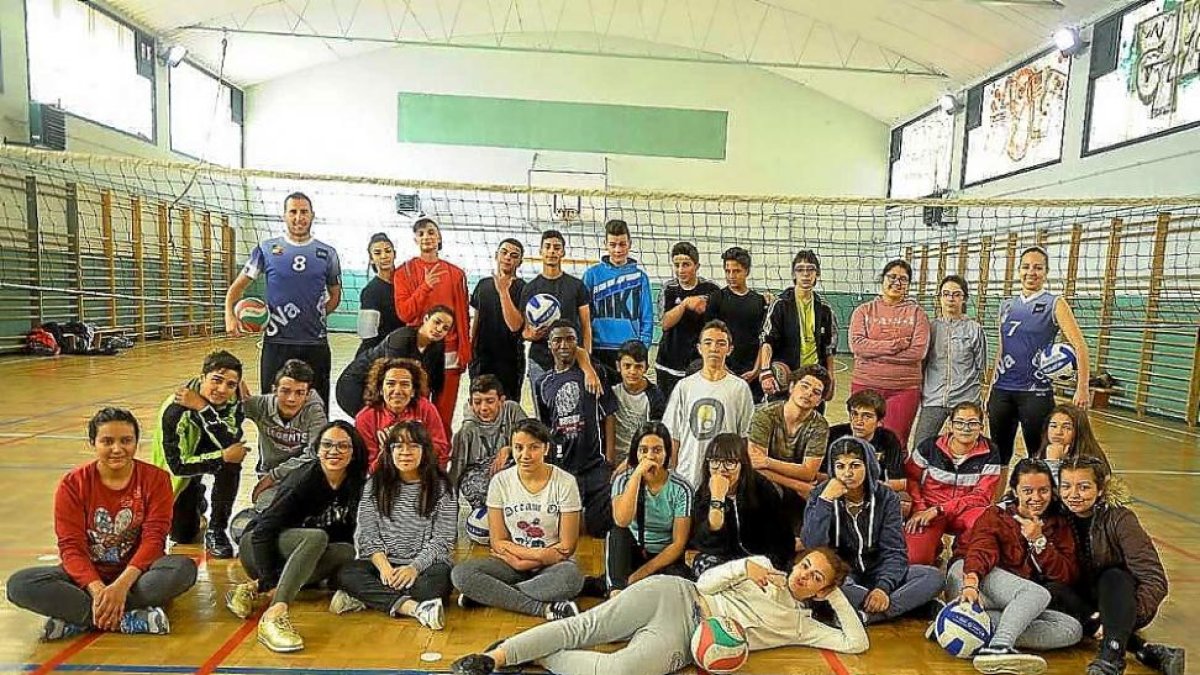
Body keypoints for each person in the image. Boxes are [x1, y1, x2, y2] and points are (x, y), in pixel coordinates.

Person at [450, 548, 867, 675]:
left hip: (688, 640)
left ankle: (534, 654)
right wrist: (744, 566)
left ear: (822, 591)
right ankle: (494, 658)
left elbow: (856, 642)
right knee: (587, 626)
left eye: (817, 578)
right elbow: (703, 583)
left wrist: (836, 593)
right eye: (806, 566)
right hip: (675, 594)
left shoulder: (802, 625)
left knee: (619, 671)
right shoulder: (760, 567)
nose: (804, 575)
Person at [6, 408, 197, 640]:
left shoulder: (156, 479)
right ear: (93, 443)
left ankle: (78, 618)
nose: (117, 449)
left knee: (182, 568)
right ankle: (126, 619)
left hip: (137, 577)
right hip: (84, 580)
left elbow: (154, 540)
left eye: (126, 440)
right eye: (107, 441)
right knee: (20, 584)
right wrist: (97, 590)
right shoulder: (73, 484)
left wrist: (120, 587)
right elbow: (71, 547)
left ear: (137, 442)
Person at [224, 421, 369, 653]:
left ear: (354, 452)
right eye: (328, 445)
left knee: (345, 551)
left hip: (299, 557)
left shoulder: (356, 483)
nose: (334, 451)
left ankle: (251, 589)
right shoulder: (303, 481)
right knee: (316, 537)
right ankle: (274, 615)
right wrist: (269, 578)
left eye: (343, 446)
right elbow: (263, 531)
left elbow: (347, 533)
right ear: (318, 449)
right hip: (259, 549)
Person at [945, 458, 1083, 675]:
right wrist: (970, 583)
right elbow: (980, 551)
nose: (1036, 498)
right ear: (1015, 490)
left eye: (1043, 490)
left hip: (1013, 598)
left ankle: (957, 624)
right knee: (1037, 594)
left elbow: (1066, 574)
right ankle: (998, 648)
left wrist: (1040, 542)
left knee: (1071, 629)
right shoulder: (997, 515)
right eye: (1027, 490)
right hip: (971, 577)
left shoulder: (1059, 523)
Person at [1057, 457, 1183, 675]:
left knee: (1114, 575)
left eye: (1084, 487)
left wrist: (1125, 617)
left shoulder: (1120, 519)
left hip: (1119, 599)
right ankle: (1144, 650)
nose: (1073, 494)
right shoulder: (1056, 517)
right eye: (1066, 486)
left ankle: (1111, 657)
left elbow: (1154, 579)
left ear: (1100, 490)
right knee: (1050, 588)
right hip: (1083, 605)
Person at [450, 420, 585, 621]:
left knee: (571, 578)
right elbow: (498, 541)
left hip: (553, 565)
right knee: (461, 574)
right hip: (512, 562)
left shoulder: (565, 482)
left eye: (534, 448)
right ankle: (544, 609)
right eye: (518, 448)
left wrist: (534, 559)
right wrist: (531, 557)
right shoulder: (500, 481)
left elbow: (567, 547)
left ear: (546, 448)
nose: (525, 455)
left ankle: (490, 595)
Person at [801, 436, 943, 625]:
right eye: (840, 466)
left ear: (868, 465)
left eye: (855, 465)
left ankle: (866, 616)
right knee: (830, 587)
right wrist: (825, 502)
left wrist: (883, 588)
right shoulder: (820, 495)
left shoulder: (887, 498)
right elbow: (813, 547)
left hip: (878, 573)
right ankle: (908, 606)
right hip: (843, 577)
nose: (847, 473)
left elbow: (895, 552)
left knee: (933, 577)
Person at [333, 421, 457, 630]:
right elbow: (367, 534)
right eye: (398, 446)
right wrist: (384, 568)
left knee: (438, 583)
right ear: (389, 451)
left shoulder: (442, 487)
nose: (405, 452)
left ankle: (368, 598)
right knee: (345, 573)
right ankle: (414, 609)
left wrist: (413, 568)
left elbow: (442, 541)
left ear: (425, 451)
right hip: (384, 564)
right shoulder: (375, 483)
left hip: (423, 566)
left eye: (413, 446)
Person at [224, 192, 342, 406]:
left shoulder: (328, 253)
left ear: (312, 215)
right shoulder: (266, 250)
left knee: (316, 406)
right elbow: (236, 288)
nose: (299, 217)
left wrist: (316, 315)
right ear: (284, 216)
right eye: (293, 212)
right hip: (276, 342)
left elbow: (335, 295)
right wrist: (230, 316)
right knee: (271, 406)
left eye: (304, 212)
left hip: (314, 343)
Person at [988, 246, 1092, 474]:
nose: (1031, 272)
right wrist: (991, 389)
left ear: (1046, 272)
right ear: (1018, 270)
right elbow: (1001, 350)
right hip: (1002, 391)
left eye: (1038, 267)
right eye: (1026, 267)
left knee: (1040, 458)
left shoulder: (1055, 303)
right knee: (998, 459)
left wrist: (1082, 388)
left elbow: (1080, 347)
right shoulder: (1006, 305)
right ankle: (996, 508)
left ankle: (1041, 508)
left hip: (1035, 394)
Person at [150, 350, 246, 558]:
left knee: (232, 461)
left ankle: (217, 529)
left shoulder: (233, 401)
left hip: (210, 449)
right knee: (183, 535)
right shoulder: (175, 411)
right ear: (202, 377)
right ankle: (196, 496)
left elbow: (229, 443)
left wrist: (204, 408)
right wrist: (221, 457)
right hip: (182, 469)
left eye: (230, 384)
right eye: (216, 380)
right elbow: (178, 466)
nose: (222, 390)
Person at [534, 321, 617, 537]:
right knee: (564, 532)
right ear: (549, 344)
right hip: (563, 466)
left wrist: (609, 457)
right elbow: (545, 427)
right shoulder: (542, 383)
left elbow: (609, 414)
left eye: (570, 339)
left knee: (599, 529)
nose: (564, 344)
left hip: (594, 464)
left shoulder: (594, 372)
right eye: (558, 340)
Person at [393, 216, 471, 440]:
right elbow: (405, 313)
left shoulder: (456, 274)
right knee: (417, 414)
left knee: (443, 418)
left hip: (449, 352)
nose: (426, 236)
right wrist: (425, 287)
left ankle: (440, 468)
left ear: (439, 238)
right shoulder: (404, 272)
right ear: (415, 239)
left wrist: (465, 350)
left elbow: (463, 316)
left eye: (430, 232)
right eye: (421, 233)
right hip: (419, 352)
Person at [904, 401, 1003, 566]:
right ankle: (933, 546)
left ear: (981, 427)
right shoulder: (929, 446)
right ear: (950, 425)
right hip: (928, 508)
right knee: (915, 559)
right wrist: (919, 508)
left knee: (986, 521)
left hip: (965, 511)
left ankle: (960, 558)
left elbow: (982, 496)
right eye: (959, 422)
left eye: (972, 423)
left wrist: (941, 509)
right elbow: (911, 478)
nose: (966, 428)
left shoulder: (991, 452)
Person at [848, 259, 930, 450]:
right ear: (882, 279)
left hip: (903, 389)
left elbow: (918, 352)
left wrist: (873, 352)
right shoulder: (863, 311)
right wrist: (894, 346)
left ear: (909, 284)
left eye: (903, 279)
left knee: (895, 442)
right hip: (866, 384)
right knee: (863, 441)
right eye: (892, 277)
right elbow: (857, 346)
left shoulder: (917, 314)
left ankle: (893, 480)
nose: (897, 282)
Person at [664, 320, 755, 489]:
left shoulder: (739, 388)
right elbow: (673, 436)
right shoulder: (684, 386)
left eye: (721, 343)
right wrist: (672, 476)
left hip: (724, 475)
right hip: (687, 474)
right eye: (708, 343)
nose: (714, 348)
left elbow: (745, 438)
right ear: (699, 348)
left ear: (729, 349)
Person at [605, 422, 694, 596]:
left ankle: (625, 585)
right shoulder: (623, 480)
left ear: (667, 453)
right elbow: (622, 521)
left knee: (678, 590)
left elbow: (678, 543)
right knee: (617, 533)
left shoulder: (682, 488)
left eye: (657, 450)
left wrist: (640, 574)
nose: (650, 456)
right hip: (634, 550)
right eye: (643, 450)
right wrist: (637, 475)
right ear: (635, 453)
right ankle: (615, 592)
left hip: (664, 557)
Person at [690, 434, 795, 577]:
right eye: (714, 461)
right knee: (702, 564)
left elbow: (782, 539)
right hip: (726, 563)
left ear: (743, 464)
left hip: (762, 559)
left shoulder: (762, 488)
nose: (721, 469)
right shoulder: (702, 493)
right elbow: (705, 543)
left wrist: (770, 564)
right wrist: (717, 498)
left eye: (730, 462)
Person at [747, 365, 831, 538]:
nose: (808, 393)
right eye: (805, 386)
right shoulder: (765, 416)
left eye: (816, 392)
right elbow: (754, 466)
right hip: (766, 484)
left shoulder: (820, 426)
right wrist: (798, 484)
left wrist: (768, 461)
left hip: (796, 490)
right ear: (792, 387)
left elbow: (808, 472)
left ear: (819, 401)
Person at [335, 305, 452, 417]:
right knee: (378, 425)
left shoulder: (438, 346)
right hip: (356, 385)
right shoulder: (401, 338)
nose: (439, 329)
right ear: (426, 319)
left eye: (445, 328)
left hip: (385, 386)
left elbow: (436, 382)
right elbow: (391, 378)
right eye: (437, 322)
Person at [757, 250, 838, 410]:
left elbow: (829, 348)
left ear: (817, 274)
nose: (806, 274)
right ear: (794, 274)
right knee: (780, 427)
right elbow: (767, 341)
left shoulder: (825, 309)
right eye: (800, 269)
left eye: (811, 269)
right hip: (785, 379)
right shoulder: (780, 305)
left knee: (811, 428)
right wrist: (766, 371)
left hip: (814, 379)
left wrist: (831, 378)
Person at [243, 359, 327, 510]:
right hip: (271, 481)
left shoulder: (315, 412)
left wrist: (274, 475)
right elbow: (223, 407)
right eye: (285, 391)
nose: (291, 399)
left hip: (305, 478)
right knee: (267, 511)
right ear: (274, 390)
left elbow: (315, 454)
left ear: (308, 395)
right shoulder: (260, 405)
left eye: (299, 393)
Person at [912, 275, 987, 446]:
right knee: (920, 447)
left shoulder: (974, 329)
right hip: (934, 398)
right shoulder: (930, 328)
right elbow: (922, 364)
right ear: (939, 298)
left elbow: (980, 366)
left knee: (966, 448)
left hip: (965, 399)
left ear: (964, 298)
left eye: (956, 294)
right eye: (946, 294)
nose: (950, 299)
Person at [519, 230, 594, 392]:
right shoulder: (530, 288)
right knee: (543, 413)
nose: (552, 251)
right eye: (547, 247)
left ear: (563, 252)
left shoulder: (576, 286)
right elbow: (524, 331)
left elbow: (586, 326)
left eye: (557, 247)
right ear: (540, 251)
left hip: (571, 359)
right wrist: (531, 335)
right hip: (539, 360)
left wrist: (586, 358)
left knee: (571, 411)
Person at [582, 219, 654, 370]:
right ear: (605, 244)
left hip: (630, 349)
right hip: (598, 349)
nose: (617, 250)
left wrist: (643, 347)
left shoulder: (640, 278)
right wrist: (585, 349)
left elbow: (647, 316)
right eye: (613, 244)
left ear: (630, 243)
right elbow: (583, 315)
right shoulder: (592, 275)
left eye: (622, 244)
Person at [354, 357, 449, 470]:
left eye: (404, 384)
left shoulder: (426, 408)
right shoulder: (365, 418)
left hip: (423, 472)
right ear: (380, 389)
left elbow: (442, 449)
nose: (397, 390)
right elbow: (368, 466)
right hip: (384, 477)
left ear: (413, 391)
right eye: (391, 384)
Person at [450, 375, 529, 510]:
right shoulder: (466, 431)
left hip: (509, 466)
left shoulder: (512, 410)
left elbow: (532, 439)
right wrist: (450, 510)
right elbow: (456, 471)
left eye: (490, 401)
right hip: (478, 474)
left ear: (502, 401)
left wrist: (509, 449)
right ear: (470, 403)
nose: (484, 408)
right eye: (477, 402)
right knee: (481, 487)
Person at [655, 241, 720, 400]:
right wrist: (685, 304)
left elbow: (720, 324)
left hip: (699, 364)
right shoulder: (669, 289)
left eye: (686, 264)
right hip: (669, 364)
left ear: (697, 266)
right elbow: (665, 323)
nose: (680, 270)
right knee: (669, 413)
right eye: (677, 265)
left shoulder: (711, 290)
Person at [703, 246, 768, 401]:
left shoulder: (759, 301)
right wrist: (723, 368)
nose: (731, 275)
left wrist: (756, 370)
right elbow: (708, 336)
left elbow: (763, 339)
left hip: (751, 373)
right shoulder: (717, 298)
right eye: (727, 271)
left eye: (736, 271)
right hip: (722, 371)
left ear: (747, 271)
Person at [469, 238, 527, 403]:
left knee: (507, 409)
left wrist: (503, 292)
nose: (508, 257)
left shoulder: (523, 288)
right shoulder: (483, 285)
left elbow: (515, 326)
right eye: (504, 252)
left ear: (519, 262)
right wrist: (470, 350)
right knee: (480, 407)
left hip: (509, 361)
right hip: (481, 358)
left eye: (514, 255)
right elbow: (476, 321)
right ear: (496, 255)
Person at [827, 390, 907, 502]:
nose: (858, 421)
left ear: (879, 421)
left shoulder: (888, 439)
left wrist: (861, 486)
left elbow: (899, 483)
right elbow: (820, 475)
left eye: (867, 416)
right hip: (836, 489)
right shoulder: (834, 434)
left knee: (904, 501)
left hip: (873, 492)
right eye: (854, 414)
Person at [610, 340, 667, 469]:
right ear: (618, 366)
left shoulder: (655, 397)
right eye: (627, 366)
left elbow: (655, 436)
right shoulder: (612, 389)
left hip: (643, 459)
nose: (632, 371)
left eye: (638, 366)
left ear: (646, 367)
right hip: (614, 458)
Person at [355, 232, 402, 356]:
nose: (384, 256)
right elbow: (367, 334)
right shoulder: (371, 291)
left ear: (394, 254)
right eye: (377, 253)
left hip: (403, 346)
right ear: (371, 259)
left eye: (388, 251)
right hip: (381, 351)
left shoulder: (406, 283)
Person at [1037, 403, 1114, 478]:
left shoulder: (1089, 463)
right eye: (1053, 426)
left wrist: (1053, 463)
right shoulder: (1046, 451)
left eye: (1067, 427)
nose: (1058, 432)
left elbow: (1066, 490)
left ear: (1079, 431)